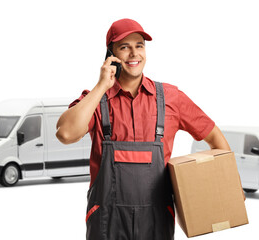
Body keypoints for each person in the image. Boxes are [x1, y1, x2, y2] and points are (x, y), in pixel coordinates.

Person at [56, 18, 230, 240]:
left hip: (156, 224)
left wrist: (228, 188)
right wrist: (101, 86)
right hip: (106, 224)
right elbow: (66, 134)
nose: (134, 53)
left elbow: (215, 139)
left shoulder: (171, 98)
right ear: (111, 54)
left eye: (139, 45)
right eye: (124, 47)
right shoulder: (95, 100)